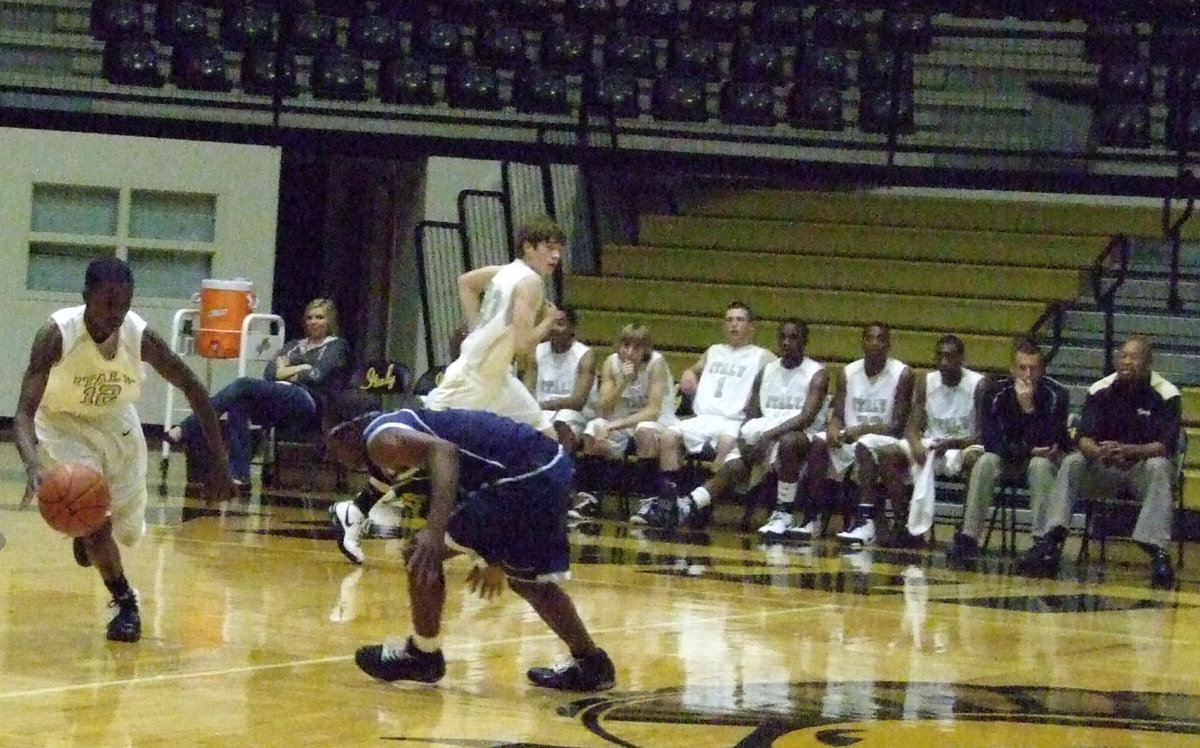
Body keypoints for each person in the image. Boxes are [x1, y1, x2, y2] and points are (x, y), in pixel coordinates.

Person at [323, 393, 616, 691]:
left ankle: (423, 655)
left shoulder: (381, 441)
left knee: (419, 552)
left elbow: (445, 452)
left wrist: (435, 534)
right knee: (527, 581)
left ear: (347, 432)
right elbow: (466, 490)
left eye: (332, 447)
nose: (334, 457)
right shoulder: (395, 446)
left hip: (525, 474)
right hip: (547, 467)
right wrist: (493, 557)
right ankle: (592, 664)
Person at [14, 257, 235, 643]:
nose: (115, 314)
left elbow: (194, 389)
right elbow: (21, 414)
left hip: (118, 422)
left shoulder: (139, 336)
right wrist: (33, 464)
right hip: (63, 425)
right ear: (86, 298)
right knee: (94, 514)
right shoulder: (56, 333)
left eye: (124, 304)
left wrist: (219, 461)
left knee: (128, 531)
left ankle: (88, 538)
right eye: (106, 304)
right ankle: (125, 601)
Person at [1017, 337, 1181, 588]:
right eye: (1123, 356)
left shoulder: (1167, 393)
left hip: (1142, 470)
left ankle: (1157, 550)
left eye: (1133, 357)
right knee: (1073, 461)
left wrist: (1129, 450)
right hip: (1105, 468)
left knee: (1160, 466)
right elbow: (1083, 438)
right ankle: (1051, 537)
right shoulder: (1100, 389)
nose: (1126, 362)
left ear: (1148, 362)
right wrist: (1098, 452)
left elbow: (1165, 445)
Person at [643, 320, 829, 532]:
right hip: (764, 434)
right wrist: (743, 441)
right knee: (734, 466)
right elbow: (752, 414)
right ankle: (688, 505)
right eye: (782, 337)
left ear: (805, 341)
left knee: (788, 442)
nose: (786, 342)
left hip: (801, 437)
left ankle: (783, 513)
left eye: (793, 337)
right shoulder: (768, 371)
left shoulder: (817, 373)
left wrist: (768, 437)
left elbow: (806, 418)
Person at [169, 297, 351, 486]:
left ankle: (186, 427)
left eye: (319, 317)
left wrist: (288, 370)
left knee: (243, 384)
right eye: (309, 317)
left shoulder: (336, 346)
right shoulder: (294, 345)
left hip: (308, 401)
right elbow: (271, 373)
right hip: (279, 397)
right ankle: (239, 474)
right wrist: (301, 367)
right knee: (238, 402)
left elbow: (316, 375)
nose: (313, 322)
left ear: (329, 320)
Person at [632, 301, 774, 524]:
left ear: (751, 327)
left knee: (727, 443)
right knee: (669, 437)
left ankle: (702, 505)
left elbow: (779, 374)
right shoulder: (714, 350)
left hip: (733, 420)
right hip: (703, 418)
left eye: (739, 320)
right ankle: (673, 501)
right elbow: (693, 370)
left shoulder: (762, 356)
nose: (733, 325)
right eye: (729, 320)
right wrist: (689, 372)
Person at [423, 215, 563, 431]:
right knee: (426, 440)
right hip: (473, 377)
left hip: (497, 377)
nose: (556, 255)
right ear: (527, 246)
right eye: (549, 247)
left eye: (559, 249)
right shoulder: (531, 282)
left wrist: (477, 328)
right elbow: (523, 346)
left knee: (545, 434)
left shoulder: (505, 270)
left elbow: (466, 283)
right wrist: (548, 321)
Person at [946, 338, 1071, 563]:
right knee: (985, 461)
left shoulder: (1056, 395)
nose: (1027, 374)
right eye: (1022, 368)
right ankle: (969, 537)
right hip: (1009, 457)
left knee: (1040, 465)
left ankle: (1042, 542)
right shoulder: (995, 392)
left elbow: (1049, 441)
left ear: (1042, 370)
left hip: (1042, 462)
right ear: (1012, 369)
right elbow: (991, 440)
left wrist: (1028, 408)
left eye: (1033, 369)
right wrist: (1025, 450)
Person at [866, 335, 986, 548]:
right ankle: (904, 522)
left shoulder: (979, 384)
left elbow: (982, 434)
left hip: (963, 444)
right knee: (887, 454)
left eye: (950, 357)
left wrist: (951, 445)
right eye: (940, 357)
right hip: (933, 444)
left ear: (962, 359)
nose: (944, 362)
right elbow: (912, 425)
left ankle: (965, 530)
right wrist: (915, 444)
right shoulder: (926, 381)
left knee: (975, 461)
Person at [798, 322, 914, 544]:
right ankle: (813, 516)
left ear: (888, 345)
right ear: (862, 343)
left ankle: (865, 521)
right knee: (819, 442)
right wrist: (833, 427)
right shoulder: (848, 372)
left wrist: (862, 430)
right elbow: (838, 414)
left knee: (866, 444)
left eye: (880, 339)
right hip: (850, 437)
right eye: (869, 338)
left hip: (886, 441)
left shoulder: (903, 374)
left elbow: (898, 425)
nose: (874, 343)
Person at [574, 323, 677, 518]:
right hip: (622, 419)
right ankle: (590, 497)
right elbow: (603, 407)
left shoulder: (657, 364)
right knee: (594, 427)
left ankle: (649, 501)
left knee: (644, 430)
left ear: (646, 349)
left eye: (636, 347)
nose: (629, 352)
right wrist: (624, 381)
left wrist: (613, 425)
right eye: (625, 345)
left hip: (659, 421)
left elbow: (652, 412)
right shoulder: (611, 363)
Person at [522, 306, 597, 453]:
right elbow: (526, 390)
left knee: (561, 421)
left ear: (572, 327)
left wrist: (540, 405)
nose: (554, 328)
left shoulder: (585, 355)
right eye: (551, 323)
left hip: (575, 413)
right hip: (542, 410)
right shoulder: (537, 351)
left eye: (560, 323)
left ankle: (563, 468)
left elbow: (578, 402)